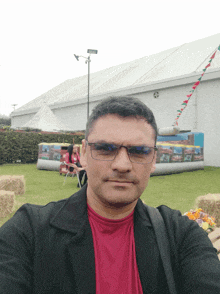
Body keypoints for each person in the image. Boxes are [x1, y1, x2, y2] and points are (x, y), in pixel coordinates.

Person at [0, 96, 220, 294]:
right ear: (83, 154)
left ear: (154, 159)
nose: (122, 165)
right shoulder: (28, 232)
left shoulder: (181, 235)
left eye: (139, 151)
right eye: (106, 148)